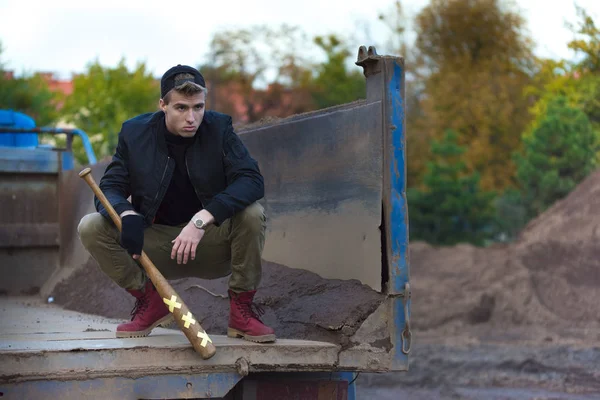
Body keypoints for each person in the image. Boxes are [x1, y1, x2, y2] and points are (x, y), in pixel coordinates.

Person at [77, 65, 275, 343]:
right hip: (154, 251)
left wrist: (202, 218)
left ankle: (241, 313)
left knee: (252, 213)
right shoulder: (135, 135)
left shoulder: (219, 129)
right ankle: (151, 301)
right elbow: (110, 187)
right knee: (91, 226)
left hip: (210, 243)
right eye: (181, 108)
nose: (192, 117)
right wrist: (126, 212)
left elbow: (252, 180)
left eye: (198, 107)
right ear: (163, 105)